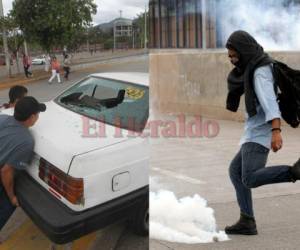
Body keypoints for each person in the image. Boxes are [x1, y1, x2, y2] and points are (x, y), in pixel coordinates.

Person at [225, 30, 300, 235]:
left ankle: (294, 172)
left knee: (248, 177)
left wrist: (276, 131)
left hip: (260, 132)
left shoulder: (259, 72)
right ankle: (247, 220)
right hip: (254, 130)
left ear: (244, 51)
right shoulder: (255, 66)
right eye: (229, 56)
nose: (232, 60)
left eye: (234, 55)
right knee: (235, 171)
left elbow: (269, 102)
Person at [0, 97, 46, 232]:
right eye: (37, 114)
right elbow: (6, 172)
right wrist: (12, 197)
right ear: (32, 117)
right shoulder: (26, 141)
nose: (38, 117)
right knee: (7, 205)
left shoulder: (2, 118)